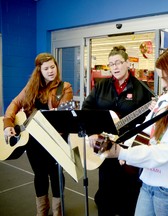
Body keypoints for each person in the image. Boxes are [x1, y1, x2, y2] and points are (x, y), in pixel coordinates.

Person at [99, 46, 168, 216]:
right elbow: (145, 130)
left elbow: (166, 151)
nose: (165, 84)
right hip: (149, 180)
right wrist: (122, 144)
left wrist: (122, 153)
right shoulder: (166, 97)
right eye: (162, 78)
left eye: (167, 78)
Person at [82, 45, 155, 216]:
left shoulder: (141, 89)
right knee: (106, 190)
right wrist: (92, 132)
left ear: (128, 63)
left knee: (129, 193)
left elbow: (148, 121)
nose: (114, 67)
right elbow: (86, 109)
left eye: (118, 63)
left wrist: (154, 108)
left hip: (128, 147)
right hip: (104, 145)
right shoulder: (101, 86)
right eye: (111, 64)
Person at [3, 53, 73, 216]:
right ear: (39, 70)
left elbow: (63, 115)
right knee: (40, 175)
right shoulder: (32, 86)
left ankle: (57, 211)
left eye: (53, 67)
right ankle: (41, 211)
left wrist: (56, 115)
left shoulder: (65, 87)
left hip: (55, 139)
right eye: (46, 68)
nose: (50, 71)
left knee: (56, 175)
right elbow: (15, 103)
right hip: (33, 141)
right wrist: (8, 123)